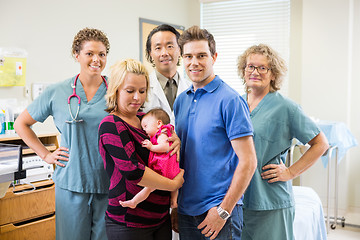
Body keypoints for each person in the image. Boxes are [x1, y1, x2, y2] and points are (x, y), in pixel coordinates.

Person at [14, 28, 111, 240]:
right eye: (90, 53)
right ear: (77, 55)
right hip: (70, 183)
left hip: (108, 182)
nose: (97, 59)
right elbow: (21, 124)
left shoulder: (116, 91)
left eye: (102, 54)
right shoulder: (57, 92)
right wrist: (46, 155)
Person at [172, 25, 257, 240]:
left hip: (218, 210)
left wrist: (223, 211)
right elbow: (178, 157)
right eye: (188, 56)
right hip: (186, 210)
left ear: (214, 57)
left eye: (202, 55)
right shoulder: (181, 100)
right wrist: (175, 205)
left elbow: (248, 161)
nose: (194, 62)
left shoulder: (230, 100)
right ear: (182, 58)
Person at [237, 44, 329, 240]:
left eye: (263, 68)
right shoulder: (235, 103)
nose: (255, 72)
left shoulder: (286, 107)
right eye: (250, 66)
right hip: (237, 199)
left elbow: (321, 144)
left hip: (271, 201)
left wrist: (290, 172)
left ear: (273, 74)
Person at [98, 59, 184, 240]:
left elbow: (167, 139)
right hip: (130, 222)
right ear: (116, 90)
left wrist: (174, 139)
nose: (137, 97)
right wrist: (174, 184)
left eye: (142, 91)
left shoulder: (145, 119)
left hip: (160, 217)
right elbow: (133, 171)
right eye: (130, 91)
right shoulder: (111, 125)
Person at [119, 108, 180, 209]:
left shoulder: (162, 133)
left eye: (146, 126)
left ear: (159, 123)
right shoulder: (163, 133)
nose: (144, 130)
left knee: (148, 188)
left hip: (164, 168)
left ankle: (134, 201)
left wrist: (151, 147)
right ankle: (174, 201)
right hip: (172, 169)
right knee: (174, 184)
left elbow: (165, 147)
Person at [142, 24, 191, 124]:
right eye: (158, 48)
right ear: (150, 53)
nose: (164, 53)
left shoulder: (191, 88)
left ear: (180, 50)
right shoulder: (142, 88)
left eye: (170, 46)